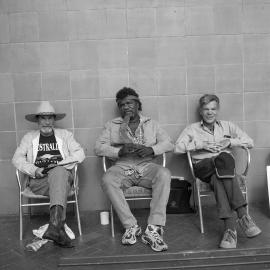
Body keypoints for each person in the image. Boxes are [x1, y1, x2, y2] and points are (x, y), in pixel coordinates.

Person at [174, 94, 261, 249]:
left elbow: (250, 142)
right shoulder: (192, 129)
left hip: (219, 173)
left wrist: (230, 141)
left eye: (213, 109)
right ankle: (243, 215)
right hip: (203, 167)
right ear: (201, 111)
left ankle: (229, 230)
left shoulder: (228, 126)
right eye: (206, 109)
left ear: (217, 110)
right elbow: (177, 148)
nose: (210, 112)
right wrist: (200, 145)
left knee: (219, 176)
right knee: (223, 160)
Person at [95, 87, 173, 252]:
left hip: (146, 165)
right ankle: (130, 226)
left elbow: (169, 143)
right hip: (122, 166)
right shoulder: (112, 125)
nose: (126, 107)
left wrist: (152, 150)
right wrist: (118, 151)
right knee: (107, 179)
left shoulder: (151, 124)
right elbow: (99, 148)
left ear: (138, 104)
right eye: (122, 104)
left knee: (164, 174)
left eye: (130, 103)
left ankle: (153, 228)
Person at [12, 101, 85, 247]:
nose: (47, 122)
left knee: (58, 172)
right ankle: (56, 227)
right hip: (39, 182)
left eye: (50, 118)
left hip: (62, 177)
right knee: (59, 177)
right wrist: (34, 170)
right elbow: (17, 158)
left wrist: (58, 165)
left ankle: (54, 227)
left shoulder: (65, 135)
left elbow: (80, 153)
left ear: (54, 120)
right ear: (37, 120)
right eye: (43, 118)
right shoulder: (29, 137)